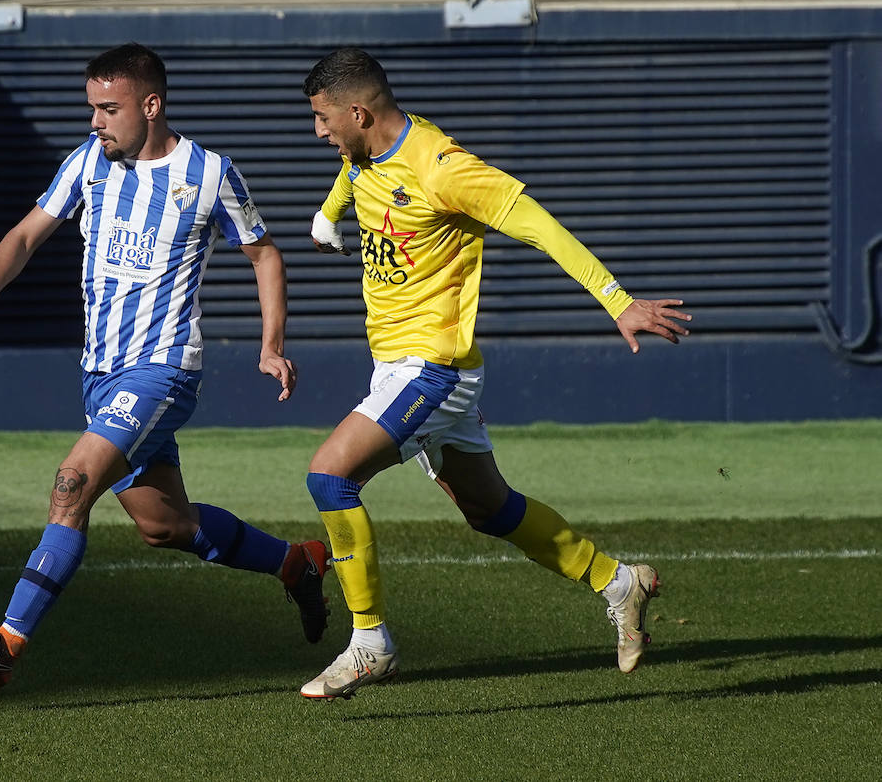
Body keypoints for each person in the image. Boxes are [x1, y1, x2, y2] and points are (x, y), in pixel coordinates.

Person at [297, 48, 692, 699]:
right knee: (489, 509)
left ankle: (370, 642)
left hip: (433, 368)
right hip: (398, 367)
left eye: (321, 118)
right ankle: (620, 581)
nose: (319, 131)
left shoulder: (443, 168)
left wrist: (618, 300)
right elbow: (350, 170)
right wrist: (329, 212)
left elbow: (539, 226)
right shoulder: (363, 152)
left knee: (330, 476)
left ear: (359, 112)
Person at [0, 42, 330, 692]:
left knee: (72, 485)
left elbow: (265, 256)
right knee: (166, 526)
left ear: (150, 105)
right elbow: (25, 235)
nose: (96, 121)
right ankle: (297, 564)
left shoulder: (208, 173)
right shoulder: (88, 163)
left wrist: (271, 345)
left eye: (108, 108)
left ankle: (6, 641)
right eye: (91, 107)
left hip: (163, 372)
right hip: (102, 377)